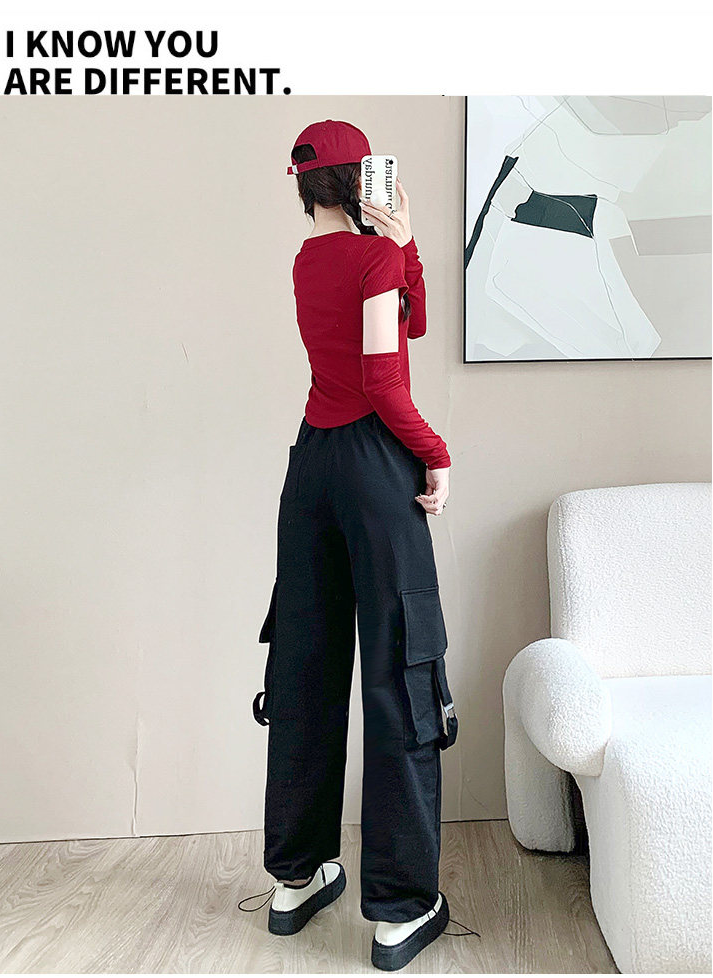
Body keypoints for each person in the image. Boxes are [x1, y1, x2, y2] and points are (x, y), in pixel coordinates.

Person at [252, 119, 457, 971]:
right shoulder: (372, 261)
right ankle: (402, 909)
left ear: (308, 186)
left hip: (311, 468)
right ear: (360, 180)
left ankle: (295, 879)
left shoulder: (310, 261)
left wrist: (403, 247)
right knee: (400, 671)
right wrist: (435, 454)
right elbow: (385, 374)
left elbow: (400, 327)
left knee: (305, 664)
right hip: (374, 466)